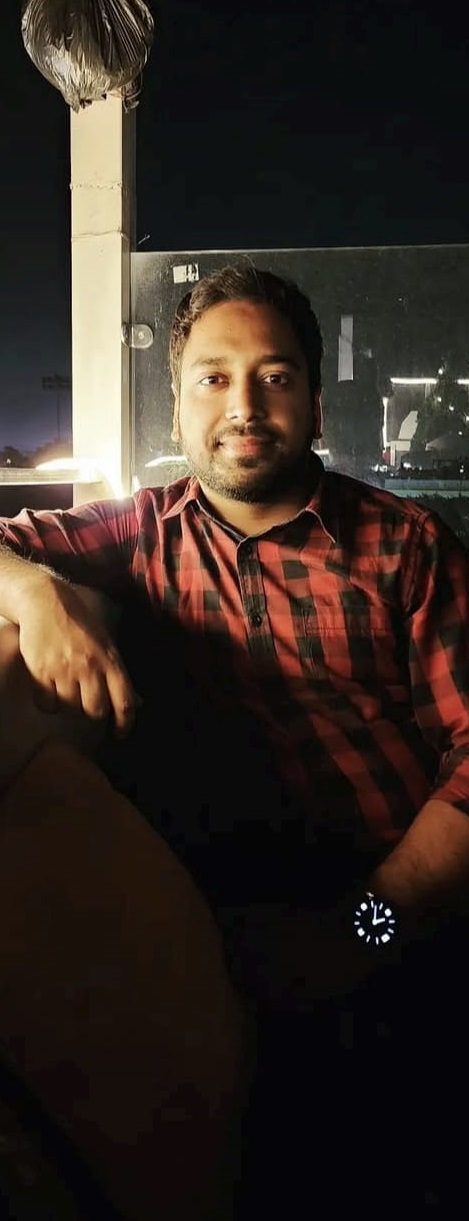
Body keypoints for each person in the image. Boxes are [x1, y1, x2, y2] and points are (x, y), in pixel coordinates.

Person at [1, 263, 469, 1209]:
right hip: (222, 926)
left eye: (274, 375)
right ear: (176, 407)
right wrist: (34, 590)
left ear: (315, 403)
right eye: (212, 378)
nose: (243, 405)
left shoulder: (407, 546)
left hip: (402, 911)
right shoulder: (141, 534)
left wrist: (360, 931)